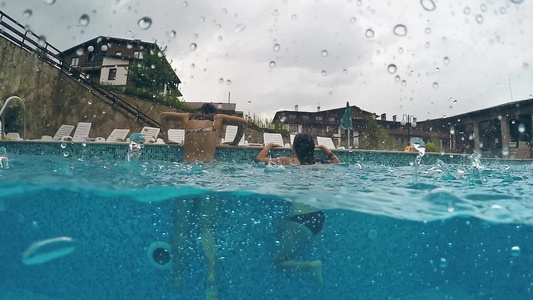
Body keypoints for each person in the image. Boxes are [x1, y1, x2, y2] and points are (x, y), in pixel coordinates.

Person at [161, 104, 247, 300]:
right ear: (212, 113)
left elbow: (163, 115)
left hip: (187, 172)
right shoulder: (217, 119)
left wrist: (166, 137)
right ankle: (211, 275)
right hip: (209, 173)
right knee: (207, 229)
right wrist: (234, 142)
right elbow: (244, 122)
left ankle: (177, 274)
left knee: (181, 229)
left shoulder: (186, 118)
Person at [255, 133, 340, 288]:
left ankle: (312, 266)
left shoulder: (290, 163)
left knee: (278, 263)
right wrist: (325, 148)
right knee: (280, 225)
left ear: (294, 147)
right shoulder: (319, 165)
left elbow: (259, 159)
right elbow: (337, 161)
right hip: (318, 218)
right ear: (312, 149)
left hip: (301, 221)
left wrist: (268, 146)